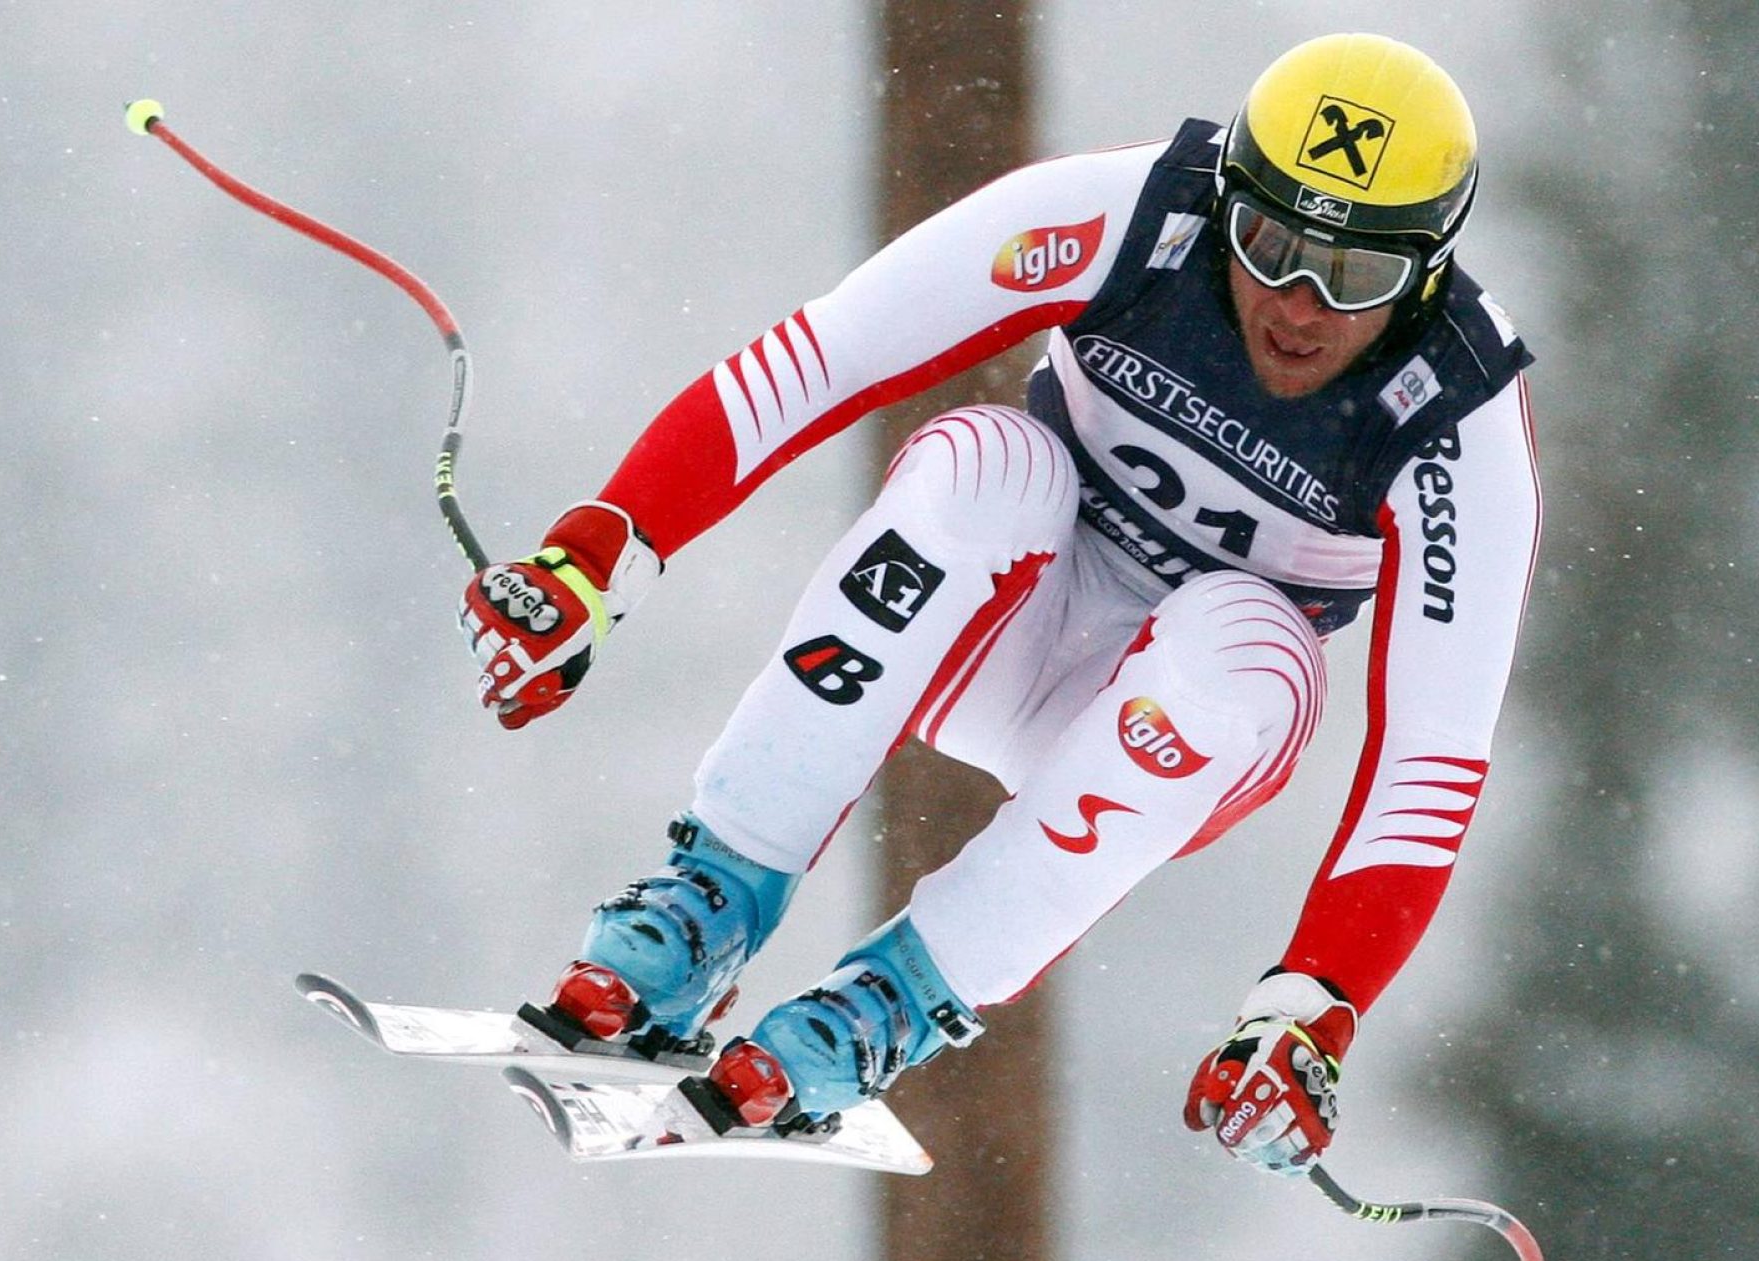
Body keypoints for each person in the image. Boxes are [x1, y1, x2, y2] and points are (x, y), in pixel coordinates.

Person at [461, 32, 1541, 1174]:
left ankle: (893, 1000)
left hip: (1173, 735)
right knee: (988, 460)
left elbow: (1431, 765)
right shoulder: (1138, 214)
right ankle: (713, 893)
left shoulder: (1458, 419)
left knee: (1250, 637)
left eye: (1356, 278)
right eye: (1270, 246)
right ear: (1227, 200)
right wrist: (599, 555)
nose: (1298, 306)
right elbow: (825, 354)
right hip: (996, 631)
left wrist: (1313, 1004)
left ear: (1429, 274)